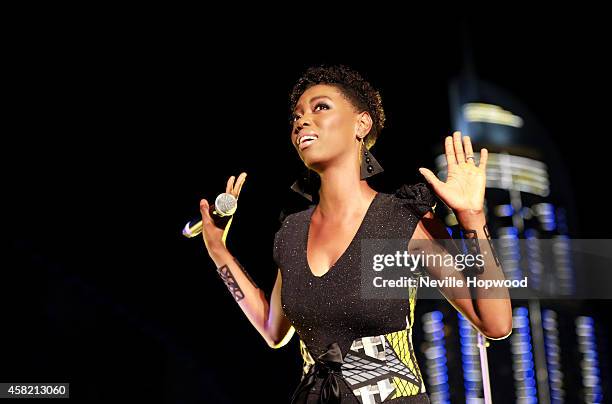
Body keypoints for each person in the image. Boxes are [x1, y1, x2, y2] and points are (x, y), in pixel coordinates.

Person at [198, 65, 512, 403]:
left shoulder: (401, 217)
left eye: (320, 107)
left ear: (361, 124)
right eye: (297, 116)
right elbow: (273, 329)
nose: (302, 121)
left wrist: (472, 219)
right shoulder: (292, 231)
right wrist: (218, 249)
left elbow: (494, 323)